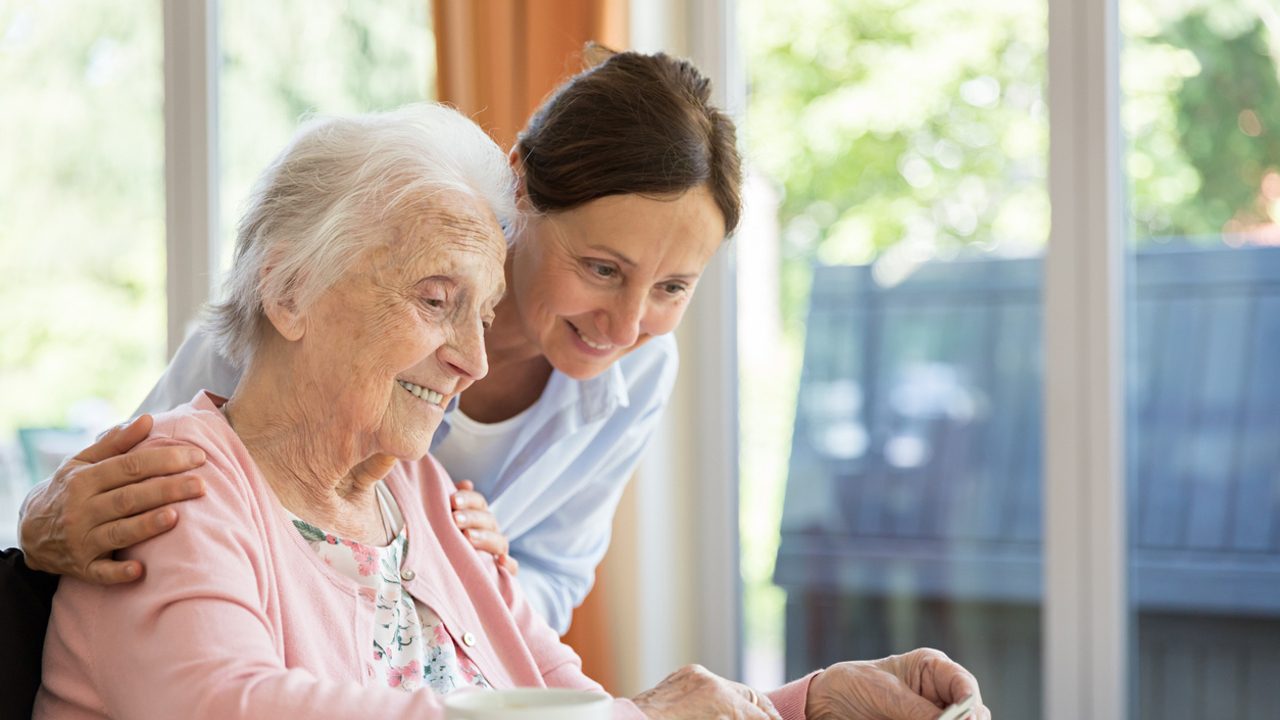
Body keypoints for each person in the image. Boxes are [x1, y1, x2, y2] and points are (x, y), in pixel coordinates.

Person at [35, 104, 987, 720]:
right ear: (290, 293)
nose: (474, 358)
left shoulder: (430, 504)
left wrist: (796, 706)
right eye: (435, 300)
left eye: (483, 313)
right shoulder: (172, 487)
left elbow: (571, 701)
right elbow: (228, 702)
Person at [21, 49, 732, 634]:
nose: (628, 323)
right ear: (519, 185)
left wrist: (488, 576)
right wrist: (36, 528)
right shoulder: (336, 293)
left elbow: (555, 575)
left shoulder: (638, 375)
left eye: (673, 287)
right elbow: (121, 485)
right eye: (602, 269)